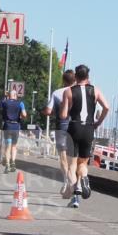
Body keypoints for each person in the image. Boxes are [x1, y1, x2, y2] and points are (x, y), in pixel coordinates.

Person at [60, 64, 109, 209]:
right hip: (88, 128)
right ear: (88, 77)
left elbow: (63, 115)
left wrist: (67, 109)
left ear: (75, 76)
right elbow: (107, 107)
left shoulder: (68, 91)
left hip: (74, 127)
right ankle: (85, 178)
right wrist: (98, 122)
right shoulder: (95, 91)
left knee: (71, 165)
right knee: (82, 163)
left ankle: (76, 189)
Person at [43, 69, 77, 197]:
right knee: (73, 160)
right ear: (74, 80)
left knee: (63, 158)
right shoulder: (77, 93)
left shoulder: (57, 93)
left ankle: (66, 181)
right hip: (75, 128)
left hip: (61, 127)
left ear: (63, 80)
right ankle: (73, 182)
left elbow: (47, 110)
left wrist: (51, 112)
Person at [0, 89, 27, 172]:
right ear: (15, 95)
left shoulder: (5, 103)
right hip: (16, 126)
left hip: (7, 126)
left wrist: (4, 97)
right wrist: (20, 116)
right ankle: (13, 163)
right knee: (14, 146)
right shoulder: (20, 103)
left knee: (8, 147)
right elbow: (24, 115)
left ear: (9, 96)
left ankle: (7, 165)